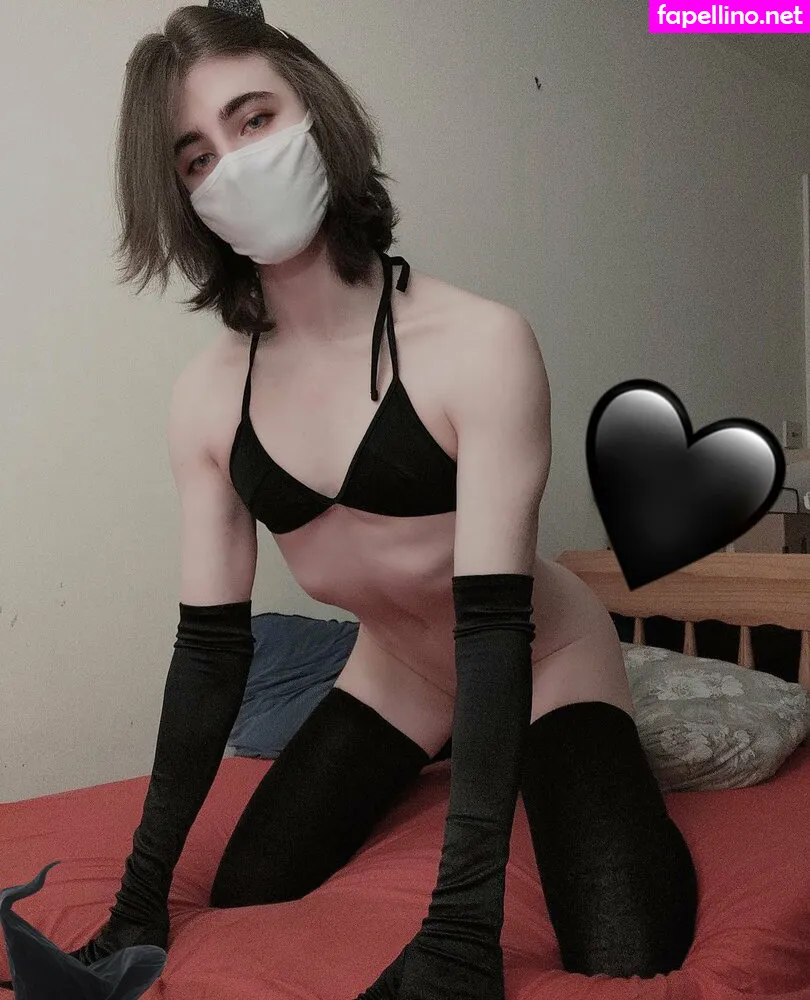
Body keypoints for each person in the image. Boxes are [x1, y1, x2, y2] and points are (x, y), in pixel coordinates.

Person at [0, 3, 699, 997]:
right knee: (248, 887)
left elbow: (492, 629)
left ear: (316, 113)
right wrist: (142, 892)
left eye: (254, 119)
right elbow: (209, 653)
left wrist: (461, 924)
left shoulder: (481, 344)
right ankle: (430, 755)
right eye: (196, 158)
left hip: (538, 655)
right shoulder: (207, 398)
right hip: (398, 670)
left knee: (628, 948)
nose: (234, 166)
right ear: (182, 197)